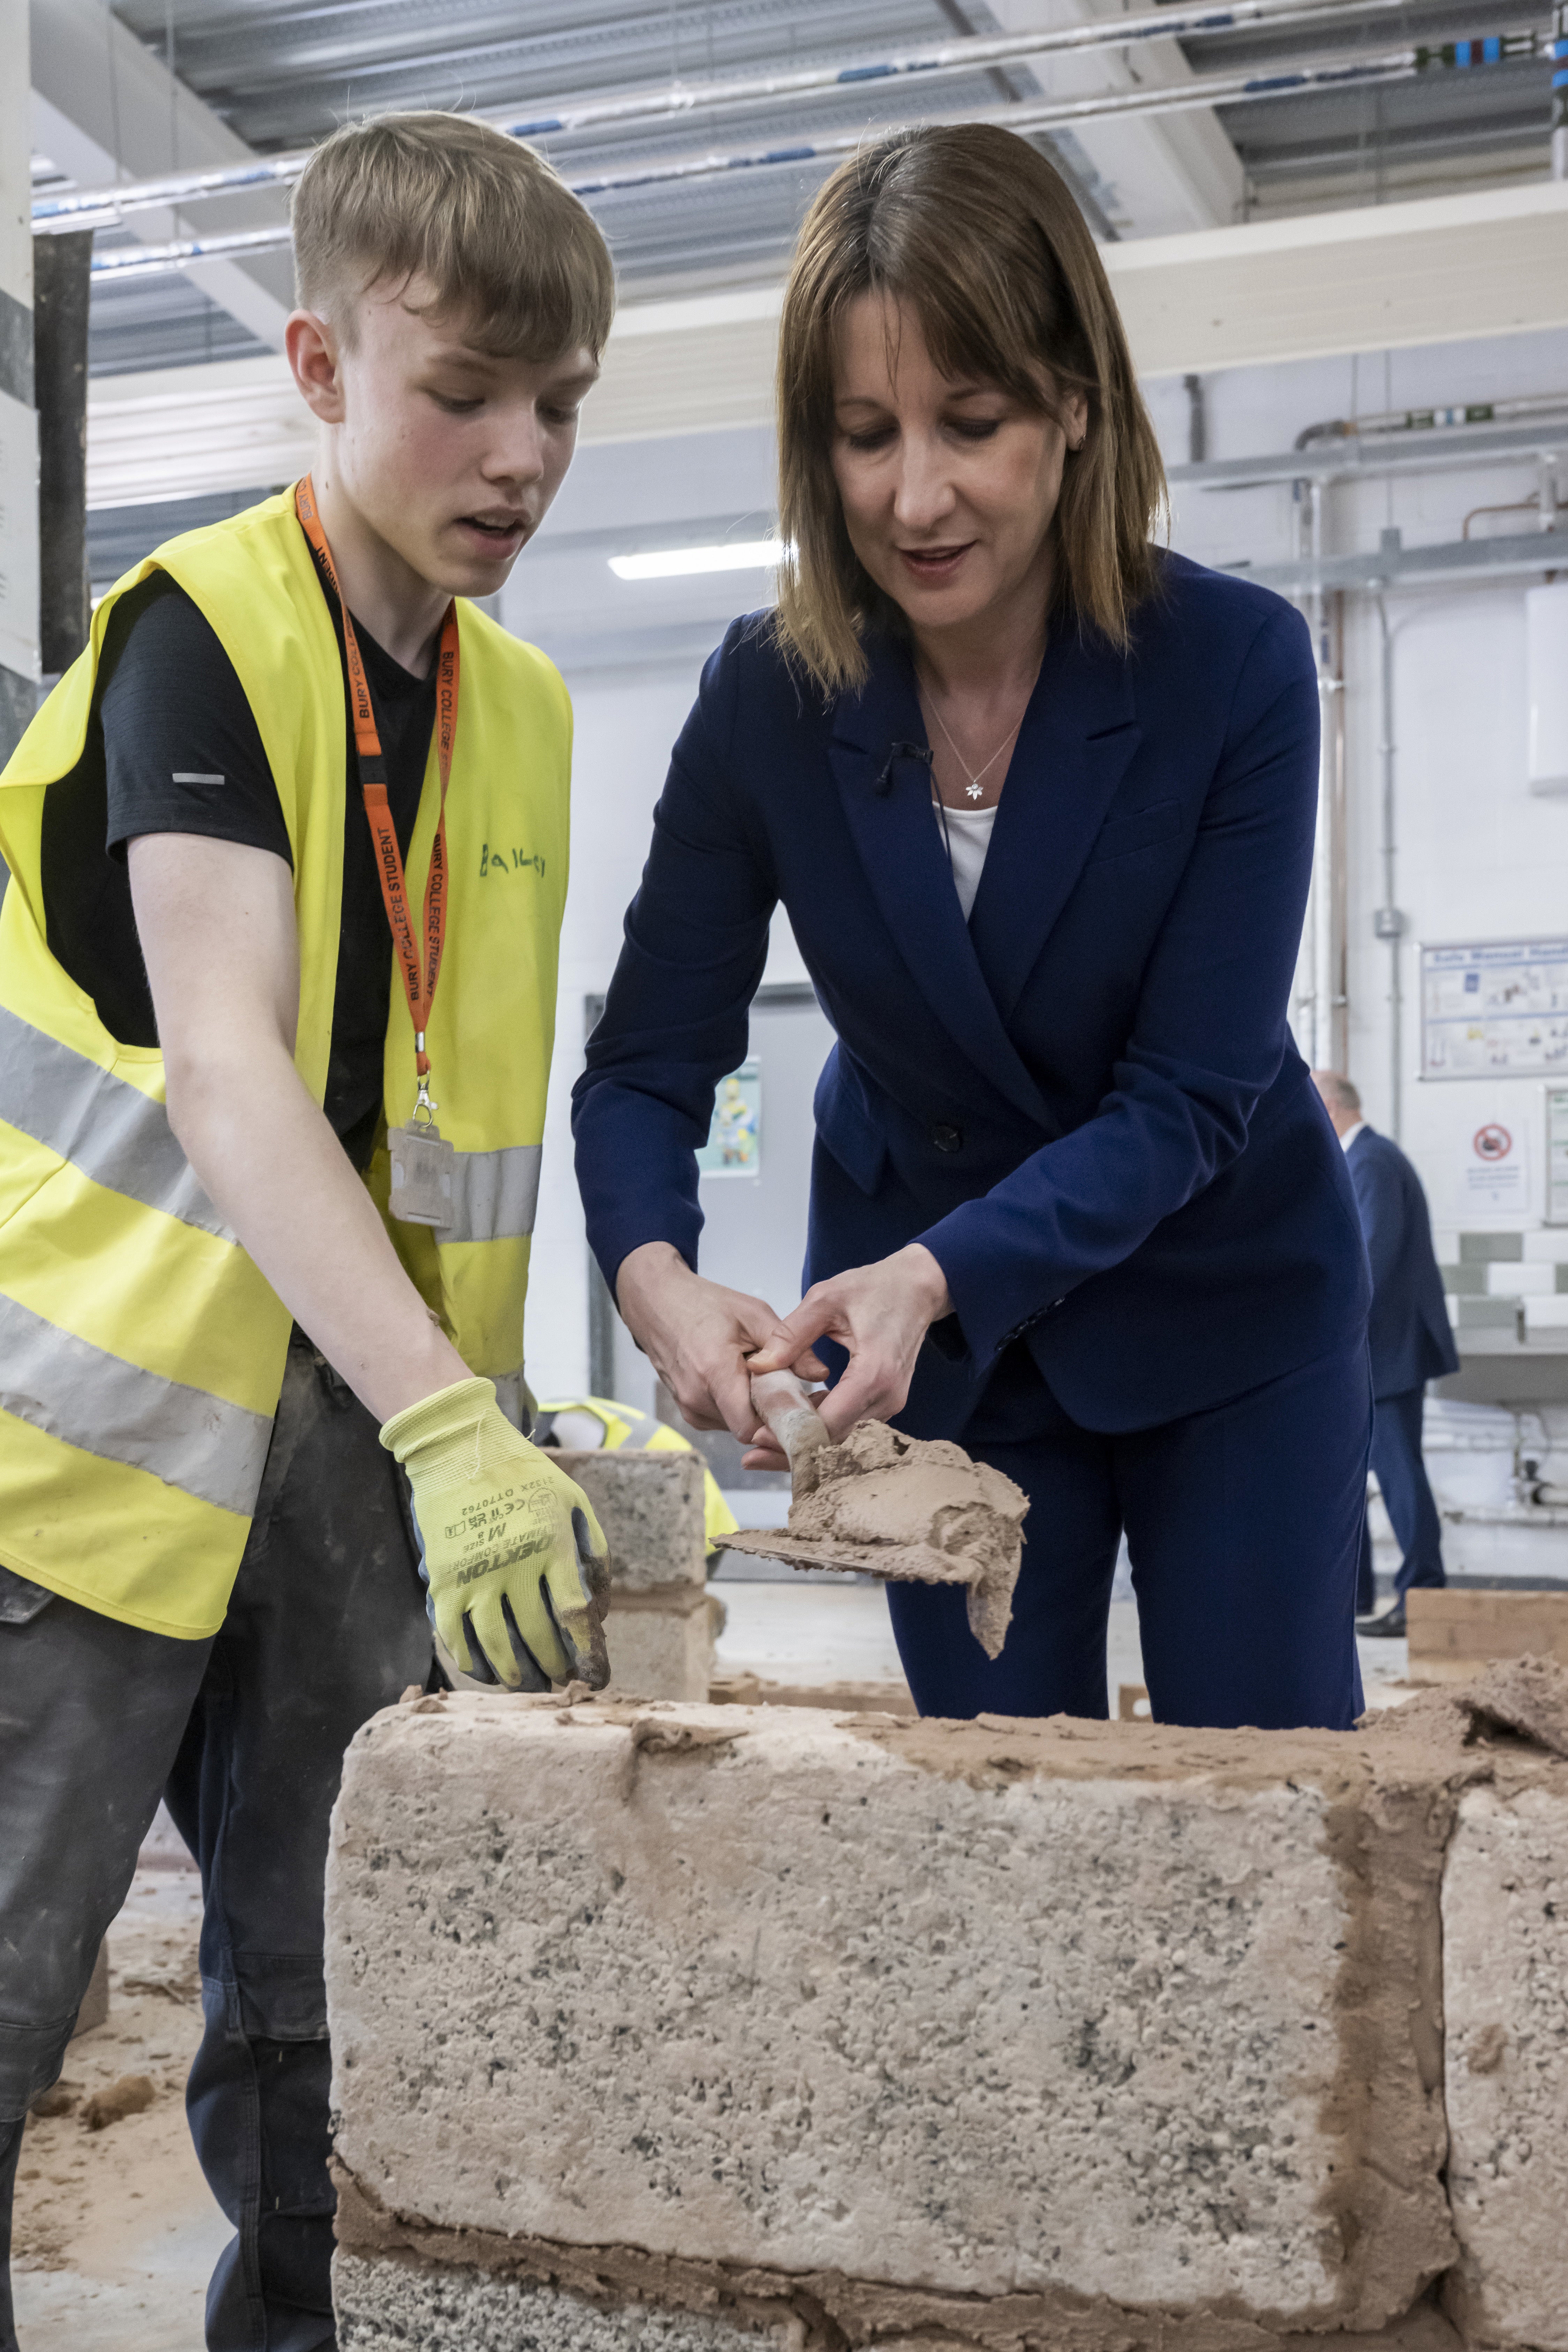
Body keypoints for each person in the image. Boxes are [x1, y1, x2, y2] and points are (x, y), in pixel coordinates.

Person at [0, 114, 615, 2351]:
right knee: (5, 1980)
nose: (518, 451)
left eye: (558, 403)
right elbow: (237, 1065)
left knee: (332, 2014)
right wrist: (460, 1420)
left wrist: (498, 1417)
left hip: (358, 1447)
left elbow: (447, 1099)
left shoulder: (524, 710)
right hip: (87, 1449)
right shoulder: (201, 638)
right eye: (461, 388)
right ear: (318, 362)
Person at [573, 123, 1373, 1738]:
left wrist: (936, 1273)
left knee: (1269, 1796)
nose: (915, 495)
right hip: (934, 1358)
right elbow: (649, 1058)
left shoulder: (1232, 668)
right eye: (866, 435)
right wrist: (654, 1273)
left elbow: (1190, 1096)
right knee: (994, 1811)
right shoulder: (768, 695)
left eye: (975, 423)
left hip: (1224, 1304)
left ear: (1077, 404)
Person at [1313, 1070, 1458, 1636]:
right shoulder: (1370, 1158)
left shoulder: (1370, 1161)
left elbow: (1368, 1259)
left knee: (1400, 1476)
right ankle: (1358, 1597)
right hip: (1380, 1349)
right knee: (1367, 1473)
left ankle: (1422, 1598)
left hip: (1388, 1351)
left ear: (1329, 1109)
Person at [533, 1393, 741, 1552]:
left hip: (696, 1530)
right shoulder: (551, 1413)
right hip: (680, 1514)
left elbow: (579, 1500)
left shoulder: (572, 1428)